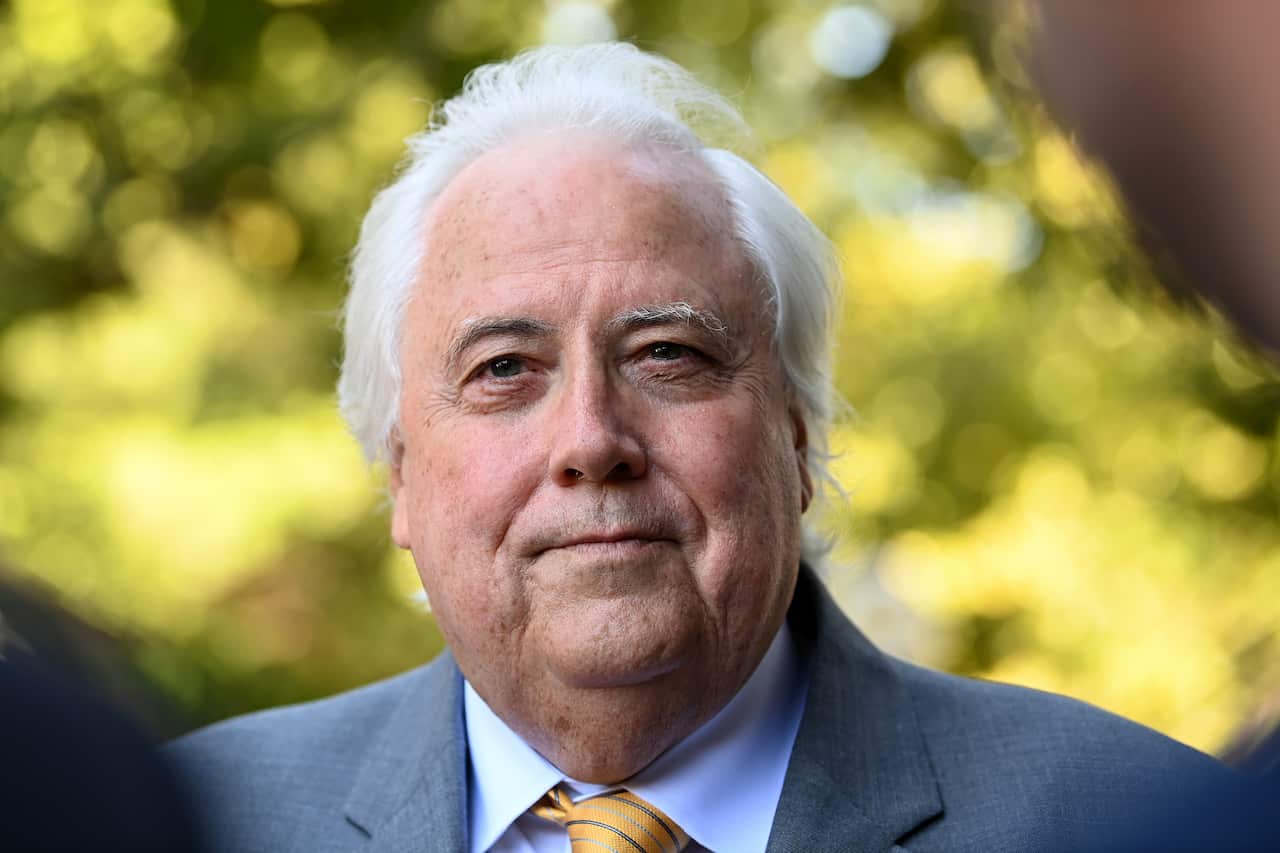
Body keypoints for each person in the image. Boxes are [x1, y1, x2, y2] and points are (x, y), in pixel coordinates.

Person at [169, 43, 1230, 853]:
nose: (590, 439)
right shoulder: (179, 822)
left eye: (666, 353)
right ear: (401, 474)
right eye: (502, 369)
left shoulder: (1142, 819)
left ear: (797, 436)